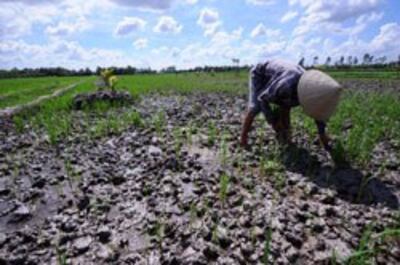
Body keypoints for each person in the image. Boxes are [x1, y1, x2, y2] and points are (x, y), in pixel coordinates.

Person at [240, 59, 342, 151]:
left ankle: (286, 138)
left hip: (283, 78)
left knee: (286, 105)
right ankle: (243, 139)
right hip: (260, 74)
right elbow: (262, 98)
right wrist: (273, 121)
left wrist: (322, 134)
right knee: (255, 107)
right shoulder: (286, 85)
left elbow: (317, 111)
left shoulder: (313, 90)